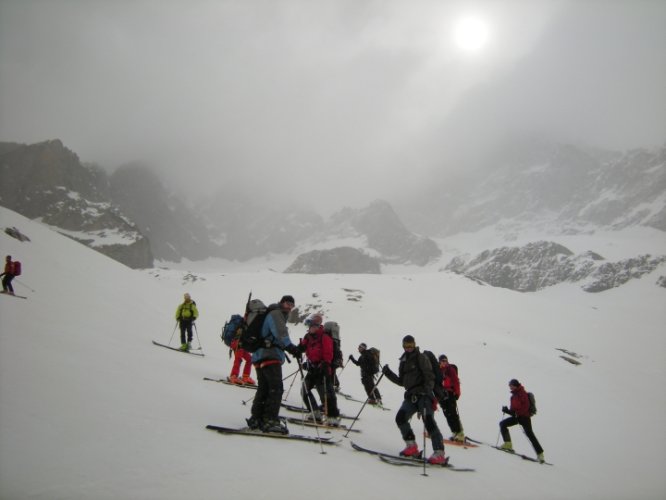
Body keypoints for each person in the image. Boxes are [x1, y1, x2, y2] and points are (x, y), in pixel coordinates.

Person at [382, 335, 447, 465]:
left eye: (411, 345)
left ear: (415, 344)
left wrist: (426, 391)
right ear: (403, 346)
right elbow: (402, 381)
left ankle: (439, 453)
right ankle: (411, 446)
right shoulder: (403, 360)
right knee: (400, 418)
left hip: (424, 395)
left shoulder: (421, 358)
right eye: (406, 346)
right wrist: (388, 373)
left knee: (428, 421)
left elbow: (430, 376)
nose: (409, 348)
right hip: (411, 395)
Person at [247, 295, 300, 434]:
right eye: (287, 303)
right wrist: (292, 348)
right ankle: (270, 420)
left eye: (291, 305)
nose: (289, 307)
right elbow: (281, 334)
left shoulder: (271, 313)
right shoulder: (276, 313)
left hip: (259, 355)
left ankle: (257, 418)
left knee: (264, 388)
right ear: (281, 303)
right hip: (270, 355)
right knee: (276, 388)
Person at [299, 314, 341, 426]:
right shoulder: (308, 337)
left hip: (322, 369)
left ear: (317, 326)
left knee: (326, 394)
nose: (310, 328)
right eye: (309, 326)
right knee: (304, 390)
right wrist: (297, 350)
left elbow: (328, 352)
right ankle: (315, 412)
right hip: (312, 368)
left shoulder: (324, 337)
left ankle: (333, 417)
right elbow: (303, 347)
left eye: (312, 326)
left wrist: (325, 364)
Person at [499, 379, 545, 463]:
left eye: (511, 385)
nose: (510, 387)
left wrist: (517, 413)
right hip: (517, 417)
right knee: (503, 424)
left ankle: (540, 454)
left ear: (515, 385)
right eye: (510, 386)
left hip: (525, 418)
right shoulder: (513, 396)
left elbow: (526, 406)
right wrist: (507, 411)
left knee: (530, 434)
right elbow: (513, 411)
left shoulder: (522, 393)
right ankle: (508, 444)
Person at [437, 354, 465, 442]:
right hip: (442, 394)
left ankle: (460, 433)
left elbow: (456, 381)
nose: (444, 362)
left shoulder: (450, 369)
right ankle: (454, 432)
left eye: (445, 360)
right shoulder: (438, 370)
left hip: (449, 393)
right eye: (442, 361)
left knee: (452, 413)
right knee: (447, 414)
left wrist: (457, 393)